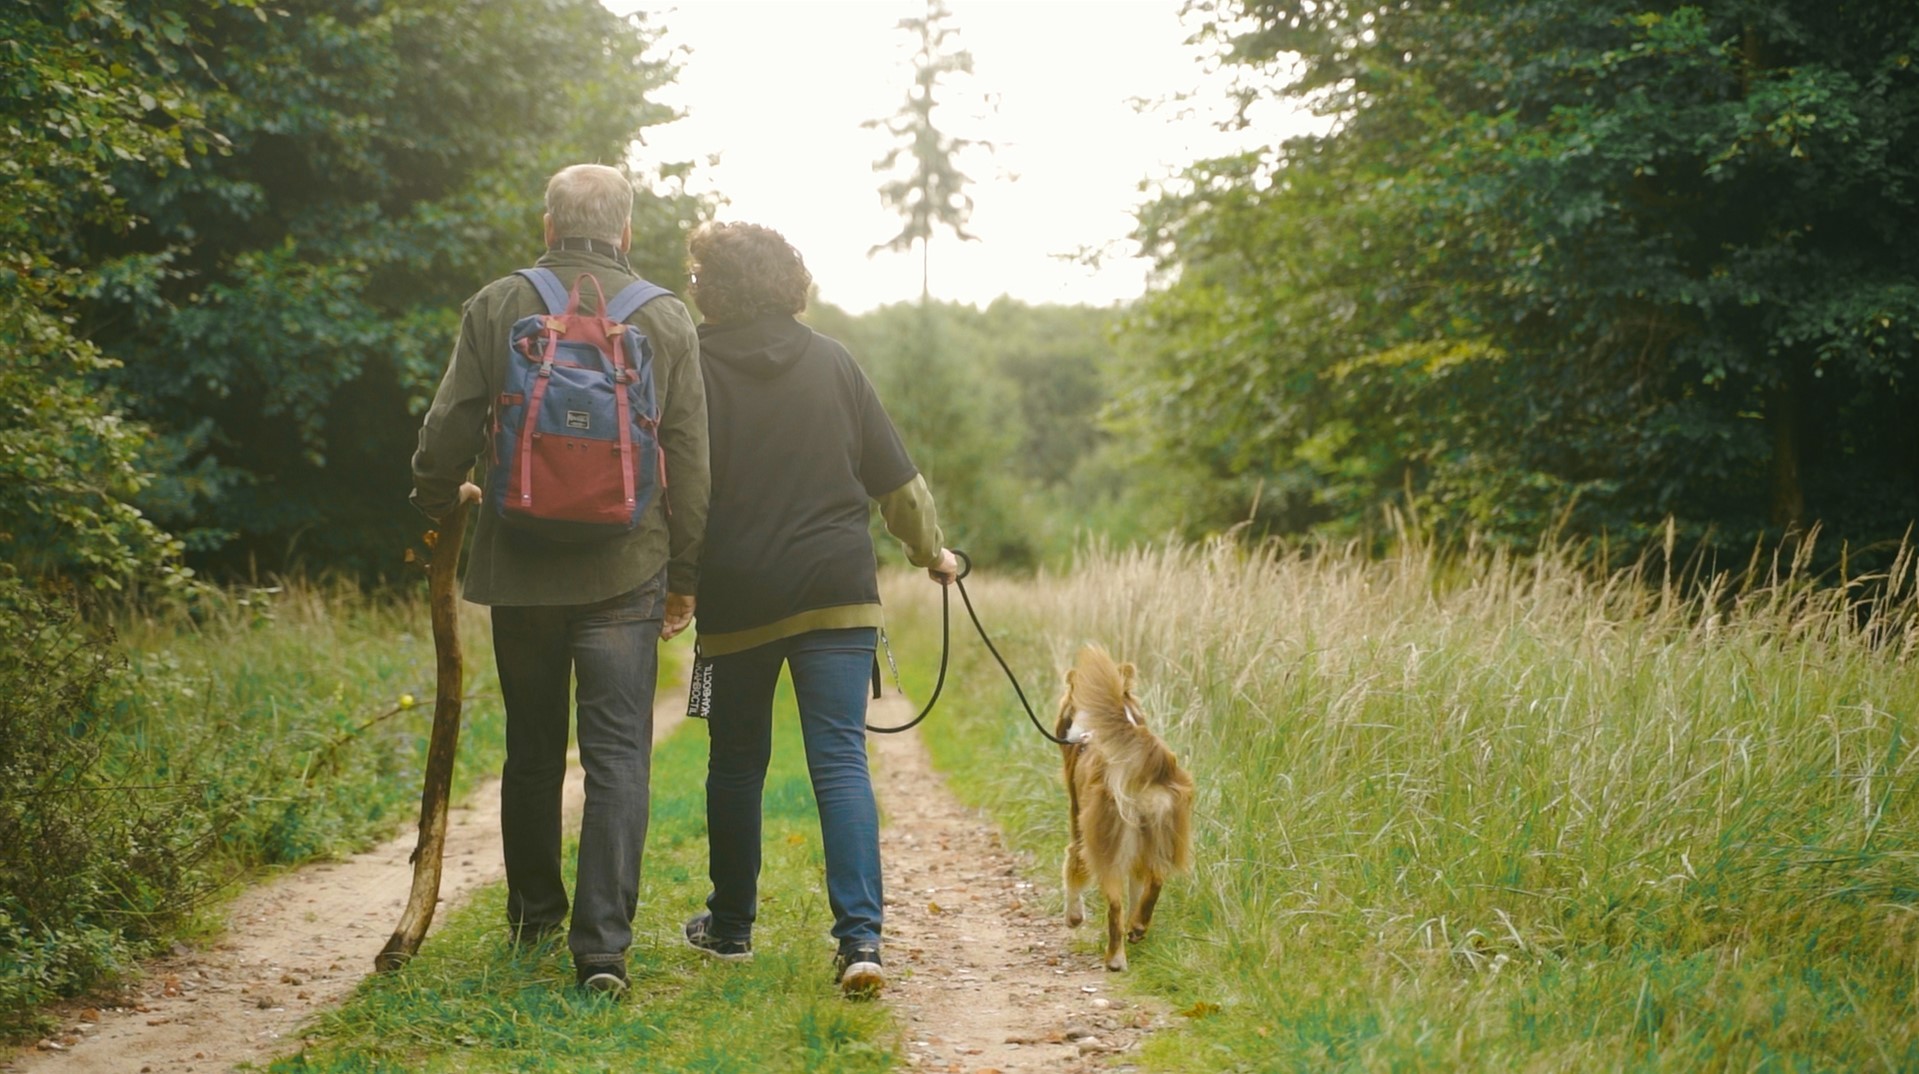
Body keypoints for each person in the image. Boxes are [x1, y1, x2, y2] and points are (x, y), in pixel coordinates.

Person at [410, 164, 708, 997]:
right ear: (625, 233)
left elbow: (447, 425)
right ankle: (603, 951)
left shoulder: (500, 303)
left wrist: (437, 500)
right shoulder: (665, 316)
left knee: (534, 750)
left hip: (520, 562)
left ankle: (534, 917)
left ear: (548, 227)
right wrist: (684, 570)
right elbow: (690, 453)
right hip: (629, 565)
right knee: (618, 757)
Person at [679, 221, 956, 998]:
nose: (692, 283)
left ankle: (730, 929)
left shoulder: (690, 367)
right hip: (835, 592)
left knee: (735, 765)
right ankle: (860, 941)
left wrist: (678, 578)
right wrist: (932, 553)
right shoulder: (832, 361)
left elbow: (679, 485)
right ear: (786, 280)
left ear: (715, 286)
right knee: (840, 762)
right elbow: (896, 485)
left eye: (698, 273)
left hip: (736, 596)